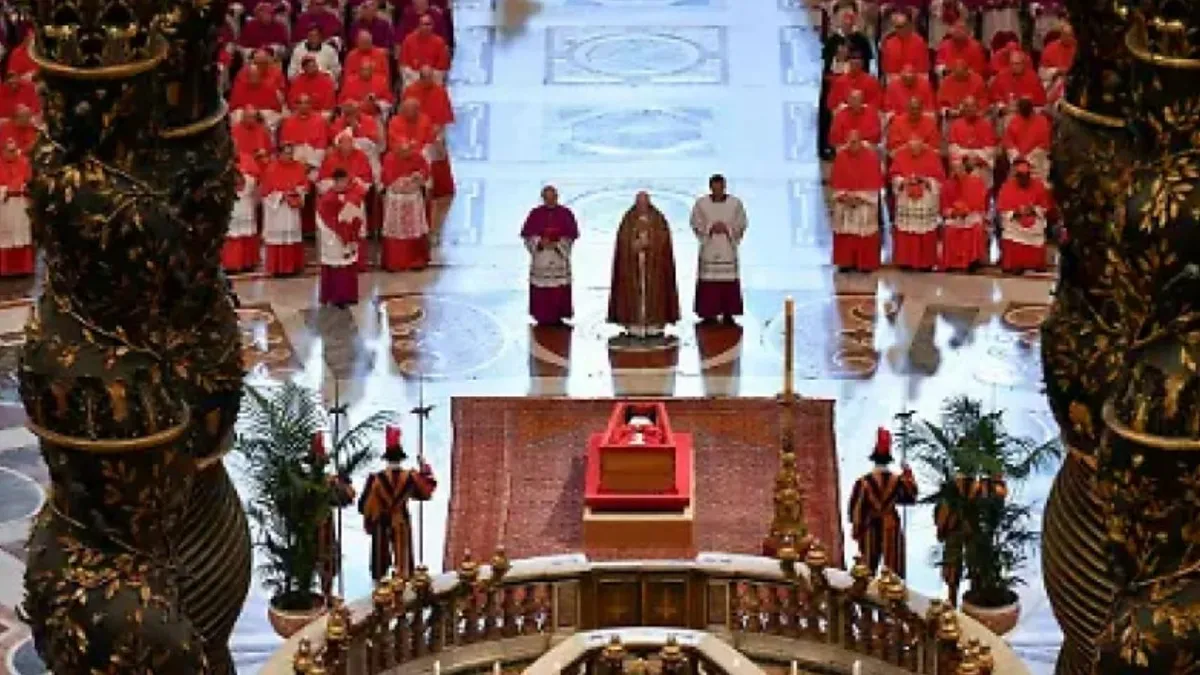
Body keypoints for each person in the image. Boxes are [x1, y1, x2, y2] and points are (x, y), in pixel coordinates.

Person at [358, 426, 437, 580]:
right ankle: (405, 590)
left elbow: (364, 507)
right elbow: (425, 493)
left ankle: (381, 593)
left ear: (386, 458)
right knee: (404, 563)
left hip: (381, 523)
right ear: (401, 458)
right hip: (401, 521)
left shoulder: (375, 479)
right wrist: (425, 470)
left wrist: (373, 516)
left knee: (380, 565)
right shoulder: (411, 477)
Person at [607, 192, 680, 337]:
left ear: (649, 203)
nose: (641, 206)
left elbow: (664, 239)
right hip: (633, 265)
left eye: (644, 203)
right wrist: (633, 245)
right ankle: (633, 323)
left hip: (654, 265)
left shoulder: (658, 218)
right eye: (639, 203)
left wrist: (650, 243)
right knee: (632, 291)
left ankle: (655, 324)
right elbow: (623, 239)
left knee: (656, 291)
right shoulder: (628, 218)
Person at [848, 428, 918, 576]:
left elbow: (856, 510)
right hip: (890, 524)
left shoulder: (863, 482)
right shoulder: (897, 481)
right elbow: (910, 497)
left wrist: (857, 527)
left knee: (867, 568)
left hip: (869, 525)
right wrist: (907, 474)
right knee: (892, 569)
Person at [690, 174, 748, 325]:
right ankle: (709, 313)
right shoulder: (701, 204)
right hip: (710, 247)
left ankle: (729, 312)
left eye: (720, 188)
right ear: (710, 187)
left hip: (727, 247)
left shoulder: (735, 204)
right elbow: (695, 222)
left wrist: (728, 228)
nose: (718, 191)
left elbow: (741, 223)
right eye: (714, 188)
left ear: (724, 187)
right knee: (709, 281)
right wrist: (709, 228)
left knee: (728, 281)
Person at [521, 185, 579, 327]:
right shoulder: (535, 214)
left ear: (557, 197)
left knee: (558, 288)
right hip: (541, 259)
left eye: (552, 197)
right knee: (542, 290)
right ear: (543, 198)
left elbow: (571, 236)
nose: (550, 201)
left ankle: (559, 314)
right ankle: (541, 315)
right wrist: (539, 242)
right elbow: (528, 236)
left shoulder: (566, 214)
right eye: (547, 198)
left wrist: (558, 244)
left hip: (558, 257)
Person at [829, 132, 883, 272]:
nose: (853, 145)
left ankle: (865, 264)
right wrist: (844, 196)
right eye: (850, 142)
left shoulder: (871, 158)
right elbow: (836, 183)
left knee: (864, 218)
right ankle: (845, 262)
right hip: (845, 201)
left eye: (855, 142)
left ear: (861, 141)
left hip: (865, 201)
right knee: (844, 223)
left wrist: (860, 197)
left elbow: (873, 185)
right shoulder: (841, 157)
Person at [888, 139, 945, 270]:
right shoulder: (901, 155)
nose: (914, 151)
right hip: (906, 197)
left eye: (917, 148)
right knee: (906, 228)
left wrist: (925, 181)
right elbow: (894, 176)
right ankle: (906, 261)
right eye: (911, 148)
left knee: (925, 227)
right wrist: (903, 181)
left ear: (923, 145)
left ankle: (925, 262)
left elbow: (939, 179)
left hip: (925, 198)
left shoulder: (932, 156)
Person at [317, 169, 367, 307]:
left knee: (348, 265)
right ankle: (335, 297)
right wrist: (338, 227)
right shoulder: (327, 198)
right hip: (333, 236)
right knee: (336, 266)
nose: (343, 184)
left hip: (349, 235)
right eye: (340, 182)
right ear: (335, 182)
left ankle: (349, 295)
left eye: (346, 181)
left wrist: (353, 223)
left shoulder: (352, 195)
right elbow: (322, 217)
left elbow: (358, 212)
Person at [379, 142, 432, 271]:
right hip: (395, 197)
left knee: (414, 227)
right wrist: (399, 183)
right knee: (395, 228)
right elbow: (387, 177)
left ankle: (415, 260)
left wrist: (417, 177)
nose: (405, 154)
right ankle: (394, 262)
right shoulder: (390, 158)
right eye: (402, 151)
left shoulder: (418, 157)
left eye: (408, 151)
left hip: (413, 197)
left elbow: (424, 171)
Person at [997, 159, 1053, 274]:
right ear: (1016, 175)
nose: (1023, 179)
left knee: (1037, 230)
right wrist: (1017, 212)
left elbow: (1045, 206)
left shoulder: (1038, 185)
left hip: (1033, 219)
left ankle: (1035, 264)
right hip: (1015, 221)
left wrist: (1032, 209)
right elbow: (1003, 209)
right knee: (1011, 233)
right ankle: (1014, 264)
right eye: (1021, 176)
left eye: (1026, 175)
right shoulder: (1006, 187)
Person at [262, 144, 309, 276]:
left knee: (292, 237)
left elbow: (304, 186)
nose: (289, 156)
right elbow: (266, 192)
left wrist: (297, 192)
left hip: (292, 208)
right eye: (286, 153)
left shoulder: (298, 167)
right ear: (279, 154)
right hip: (278, 210)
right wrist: (281, 196)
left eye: (290, 153)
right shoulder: (271, 169)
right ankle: (278, 268)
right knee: (278, 238)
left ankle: (292, 267)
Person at [939, 159, 990, 271]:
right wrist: (954, 212)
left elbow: (980, 203)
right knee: (950, 230)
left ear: (965, 168)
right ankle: (952, 263)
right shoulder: (947, 185)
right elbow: (944, 206)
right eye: (955, 168)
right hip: (954, 215)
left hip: (972, 215)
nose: (958, 171)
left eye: (960, 168)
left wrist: (968, 210)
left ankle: (973, 261)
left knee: (975, 228)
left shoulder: (976, 182)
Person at [223, 152, 261, 273]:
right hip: (229, 202)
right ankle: (231, 264)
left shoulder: (247, 159)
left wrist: (246, 180)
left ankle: (247, 262)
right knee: (231, 233)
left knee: (246, 233)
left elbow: (256, 179)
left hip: (245, 202)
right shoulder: (221, 159)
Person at [947, 97, 998, 187]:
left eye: (972, 106)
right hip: (962, 164)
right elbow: (953, 149)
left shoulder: (986, 124)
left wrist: (976, 160)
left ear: (977, 108)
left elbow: (990, 150)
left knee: (979, 175)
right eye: (967, 106)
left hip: (981, 165)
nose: (970, 109)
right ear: (963, 108)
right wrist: (966, 159)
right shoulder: (956, 124)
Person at [0, 140, 33, 276]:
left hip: (20, 204)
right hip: (4, 206)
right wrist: (6, 190)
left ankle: (23, 269)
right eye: (10, 151)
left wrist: (23, 188)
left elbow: (31, 182)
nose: (14, 154)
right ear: (3, 152)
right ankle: (4, 269)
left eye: (15, 150)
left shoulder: (24, 162)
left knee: (22, 235)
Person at [1002, 98, 1053, 180]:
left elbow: (1044, 144)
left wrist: (1027, 158)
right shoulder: (1013, 121)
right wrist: (1017, 155)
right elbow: (1008, 142)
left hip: (1036, 164)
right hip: (1017, 162)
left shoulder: (1042, 121)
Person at [398, 13, 451, 87]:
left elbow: (442, 67)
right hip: (413, 76)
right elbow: (403, 65)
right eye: (424, 24)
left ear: (433, 26)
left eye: (429, 24)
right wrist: (418, 77)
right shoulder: (408, 40)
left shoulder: (440, 42)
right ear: (419, 26)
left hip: (433, 77)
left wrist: (428, 75)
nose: (426, 27)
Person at [230, 64, 284, 130]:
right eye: (251, 75)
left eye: (256, 75)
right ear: (248, 76)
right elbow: (233, 109)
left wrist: (260, 114)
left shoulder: (269, 88)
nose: (253, 78)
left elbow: (276, 111)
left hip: (264, 121)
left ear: (260, 76)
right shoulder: (239, 88)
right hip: (243, 120)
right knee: (238, 114)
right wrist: (246, 114)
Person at [879, 10, 929, 80]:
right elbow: (888, 73)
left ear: (911, 25)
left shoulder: (920, 43)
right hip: (895, 84)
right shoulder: (889, 44)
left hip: (915, 83)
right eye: (897, 26)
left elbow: (923, 72)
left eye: (903, 26)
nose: (899, 30)